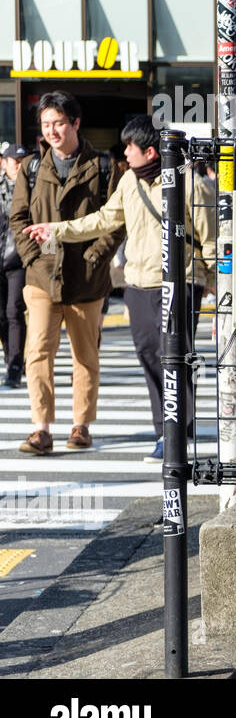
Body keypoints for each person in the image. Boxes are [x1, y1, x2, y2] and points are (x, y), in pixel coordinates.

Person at [25, 118, 216, 461]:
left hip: (180, 283)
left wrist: (217, 288)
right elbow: (102, 220)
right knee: (149, 358)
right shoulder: (130, 181)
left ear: (151, 151)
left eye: (130, 147)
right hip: (138, 285)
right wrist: (56, 230)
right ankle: (171, 429)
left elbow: (212, 240)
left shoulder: (190, 184)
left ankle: (171, 435)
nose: (125, 153)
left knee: (174, 359)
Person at [9, 92, 123, 455]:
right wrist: (30, 258)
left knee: (85, 355)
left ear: (75, 123)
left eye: (59, 122)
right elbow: (19, 218)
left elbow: (115, 221)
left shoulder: (104, 166)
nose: (52, 131)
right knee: (37, 351)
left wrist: (95, 256)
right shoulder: (30, 167)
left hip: (86, 278)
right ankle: (40, 428)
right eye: (46, 124)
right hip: (42, 276)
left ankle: (81, 425)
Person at [0, 142, 29, 388]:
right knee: (2, 315)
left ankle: (16, 366)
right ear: (4, 163)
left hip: (18, 259)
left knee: (14, 311)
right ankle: (12, 358)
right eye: (14, 162)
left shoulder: (33, 187)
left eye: (22, 162)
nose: (18, 167)